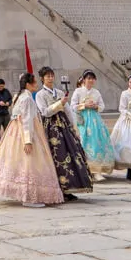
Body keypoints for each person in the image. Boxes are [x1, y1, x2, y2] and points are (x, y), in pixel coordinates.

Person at [0, 73, 64, 207]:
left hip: (15, 132)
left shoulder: (19, 96)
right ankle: (28, 196)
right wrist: (28, 140)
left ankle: (26, 194)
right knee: (30, 163)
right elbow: (26, 120)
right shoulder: (26, 98)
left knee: (21, 162)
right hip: (25, 132)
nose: (36, 84)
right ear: (28, 84)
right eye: (34, 82)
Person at [36, 67, 93, 201]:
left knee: (70, 154)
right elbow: (44, 112)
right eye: (47, 76)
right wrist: (58, 104)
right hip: (50, 127)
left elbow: (68, 111)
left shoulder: (60, 92)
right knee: (55, 156)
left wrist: (73, 127)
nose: (50, 78)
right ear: (42, 78)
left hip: (64, 126)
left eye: (51, 76)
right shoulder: (40, 95)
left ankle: (68, 187)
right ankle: (54, 188)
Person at [67, 71, 115, 181]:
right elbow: (72, 106)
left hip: (95, 121)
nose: (91, 81)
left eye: (93, 79)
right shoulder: (78, 92)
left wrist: (95, 106)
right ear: (83, 79)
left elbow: (102, 106)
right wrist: (84, 105)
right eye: (88, 78)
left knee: (97, 143)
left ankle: (96, 171)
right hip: (82, 120)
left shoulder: (96, 92)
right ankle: (86, 170)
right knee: (84, 143)